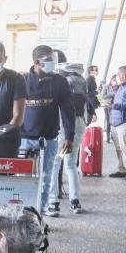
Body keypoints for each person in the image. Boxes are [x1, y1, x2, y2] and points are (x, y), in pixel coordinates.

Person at [21, 45, 75, 216]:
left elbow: (67, 109)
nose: (53, 63)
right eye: (50, 59)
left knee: (46, 177)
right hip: (24, 139)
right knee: (24, 178)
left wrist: (69, 136)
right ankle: (24, 212)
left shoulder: (59, 81)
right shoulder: (22, 80)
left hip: (50, 139)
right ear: (37, 62)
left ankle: (41, 211)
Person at [48, 59, 88, 216]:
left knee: (55, 164)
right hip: (78, 128)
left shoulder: (64, 82)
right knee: (71, 165)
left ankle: (53, 203)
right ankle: (75, 201)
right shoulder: (82, 82)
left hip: (64, 130)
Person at [101, 75, 120, 143]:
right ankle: (108, 137)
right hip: (107, 105)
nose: (115, 81)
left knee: (114, 121)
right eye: (113, 79)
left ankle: (113, 136)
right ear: (111, 80)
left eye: (116, 79)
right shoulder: (106, 86)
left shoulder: (119, 87)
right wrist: (111, 94)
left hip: (115, 105)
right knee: (108, 120)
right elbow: (102, 96)